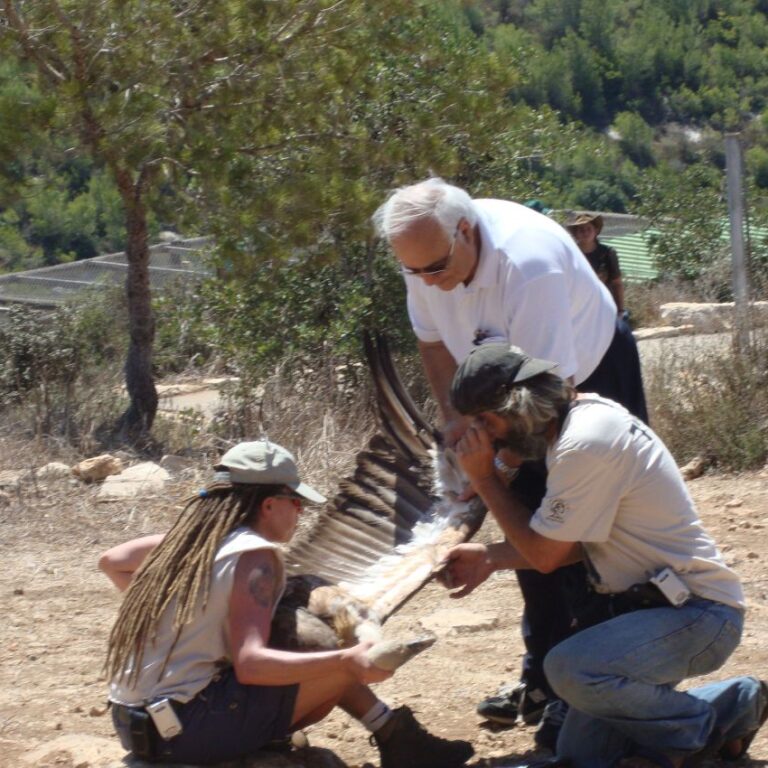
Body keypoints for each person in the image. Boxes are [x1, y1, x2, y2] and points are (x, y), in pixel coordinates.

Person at [373, 177, 648, 742]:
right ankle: (544, 678)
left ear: (467, 231)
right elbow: (432, 343)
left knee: (582, 529)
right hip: (502, 390)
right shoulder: (426, 255)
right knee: (522, 521)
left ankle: (602, 686)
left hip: (582, 377)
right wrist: (458, 427)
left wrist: (492, 470)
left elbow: (549, 399)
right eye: (413, 271)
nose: (427, 281)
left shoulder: (529, 265)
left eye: (435, 268)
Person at [441, 342, 767, 768]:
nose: (490, 436)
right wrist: (489, 557)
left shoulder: (584, 442)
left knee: (571, 670)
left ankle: (695, 735)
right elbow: (571, 545)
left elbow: (545, 556)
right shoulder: (578, 426)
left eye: (486, 421)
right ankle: (735, 702)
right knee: (585, 755)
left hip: (697, 613)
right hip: (656, 612)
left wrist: (485, 478)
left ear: (516, 403)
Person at [99, 439, 474, 768]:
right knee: (336, 656)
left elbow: (112, 562)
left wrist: (180, 620)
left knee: (319, 655)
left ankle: (396, 735)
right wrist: (348, 660)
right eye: (295, 501)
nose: (300, 511)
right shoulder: (254, 556)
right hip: (185, 731)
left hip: (130, 724)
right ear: (268, 505)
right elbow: (251, 665)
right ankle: (399, 740)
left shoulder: (191, 541)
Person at [565, 212, 625, 315]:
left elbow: (617, 283)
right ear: (575, 233)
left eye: (589, 229)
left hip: (604, 306)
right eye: (581, 230)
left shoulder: (607, 253)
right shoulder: (570, 254)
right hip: (576, 308)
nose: (585, 232)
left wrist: (620, 310)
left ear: (596, 231)